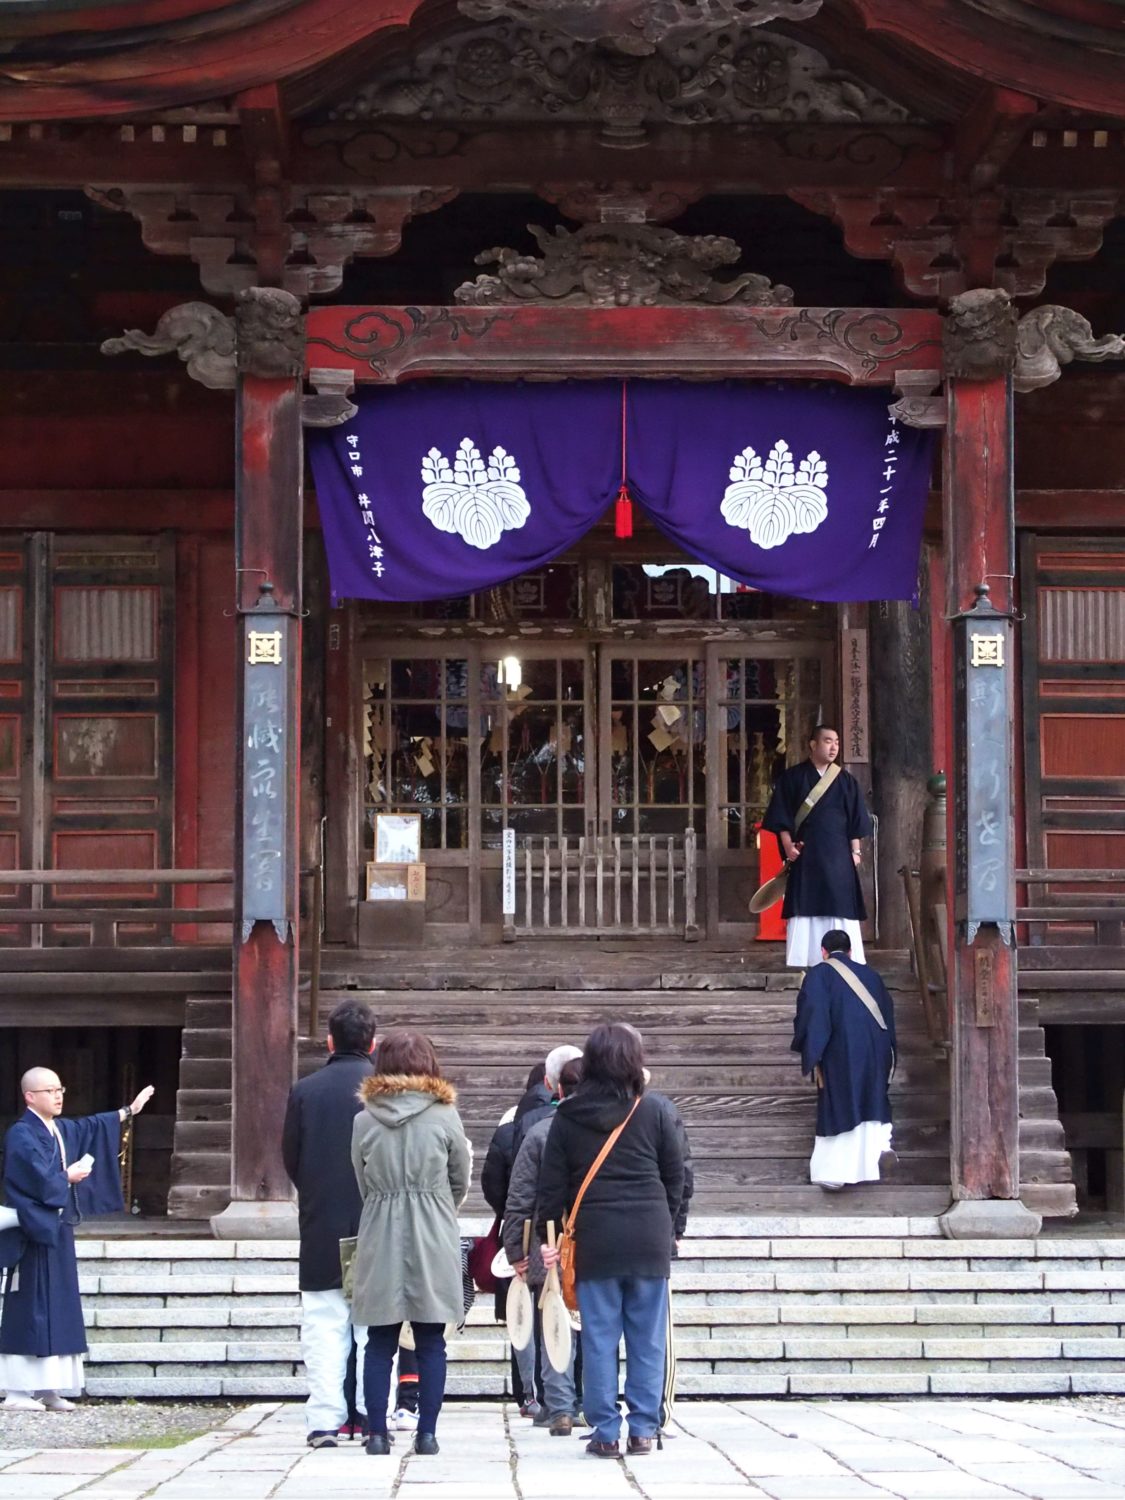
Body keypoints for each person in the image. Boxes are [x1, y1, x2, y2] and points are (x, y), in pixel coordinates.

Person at [539, 1023, 683, 1461]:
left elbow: (551, 1188)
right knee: (648, 1337)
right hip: (648, 1237)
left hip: (595, 1240)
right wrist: (671, 1227)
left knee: (600, 1337)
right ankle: (642, 1429)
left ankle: (604, 1430)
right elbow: (675, 1176)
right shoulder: (656, 1110)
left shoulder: (567, 1116)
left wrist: (547, 1237)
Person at [0, 1069, 153, 1411]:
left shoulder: (59, 1129)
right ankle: (17, 1391)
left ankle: (48, 1388)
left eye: (60, 1089)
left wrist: (128, 1111)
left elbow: (90, 1126)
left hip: (55, 1229)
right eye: (50, 1090)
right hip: (31, 1231)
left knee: (59, 1305)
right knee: (30, 1306)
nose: (58, 1096)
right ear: (29, 1096)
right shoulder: (22, 1135)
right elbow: (32, 1179)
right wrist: (65, 1177)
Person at [351, 1029, 471, 1459]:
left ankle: (378, 1435)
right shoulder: (445, 1115)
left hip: (380, 1227)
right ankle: (427, 1433)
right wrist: (436, 1204)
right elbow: (460, 1177)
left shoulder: (364, 1119)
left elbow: (362, 1180)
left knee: (379, 1339)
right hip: (433, 1229)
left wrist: (387, 1205)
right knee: (431, 1338)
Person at [282, 998, 377, 1449]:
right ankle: (369, 1411)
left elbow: (292, 1159)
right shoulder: (386, 1091)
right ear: (373, 1043)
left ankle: (324, 1419)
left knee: (323, 1321)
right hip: (376, 1220)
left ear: (329, 1041)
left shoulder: (306, 1091)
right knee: (373, 1325)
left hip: (322, 1221)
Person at [502, 1054, 584, 1436]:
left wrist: (517, 1251)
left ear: (557, 1089)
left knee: (552, 1318)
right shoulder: (608, 1128)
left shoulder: (539, 1132)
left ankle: (559, 1405)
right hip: (590, 1240)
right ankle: (589, 1399)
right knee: (591, 1324)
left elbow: (518, 1198)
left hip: (547, 1239)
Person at [791, 929, 897, 1190]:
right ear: (851, 951)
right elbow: (888, 1012)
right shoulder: (872, 976)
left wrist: (811, 1049)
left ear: (823, 952)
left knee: (840, 1101)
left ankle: (834, 1173)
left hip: (842, 1049)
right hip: (877, 1048)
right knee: (872, 1098)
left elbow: (813, 1013)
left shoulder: (819, 974)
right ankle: (877, 1153)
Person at [762, 724, 874, 968]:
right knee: (805, 902)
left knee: (840, 903)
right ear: (813, 744)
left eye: (836, 742)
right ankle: (803, 957)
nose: (833, 746)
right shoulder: (792, 778)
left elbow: (855, 820)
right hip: (806, 852)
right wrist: (788, 846)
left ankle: (847, 957)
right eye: (827, 741)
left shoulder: (846, 781)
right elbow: (782, 816)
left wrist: (855, 851)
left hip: (838, 854)